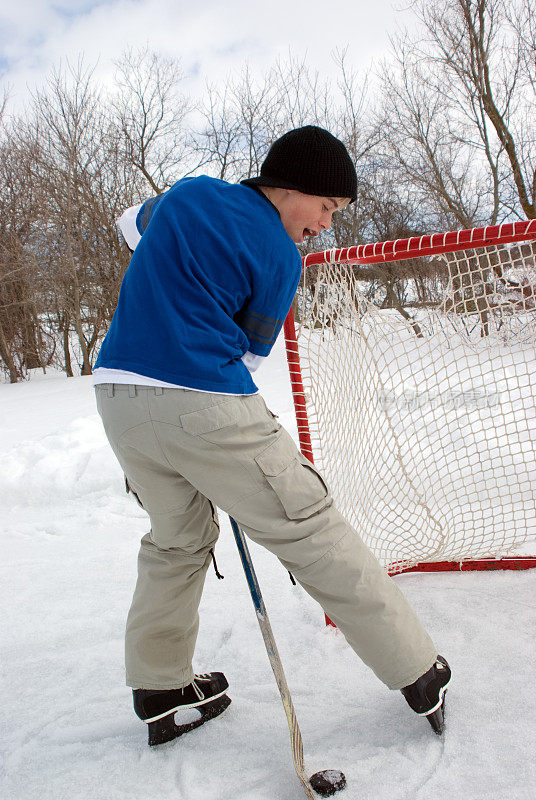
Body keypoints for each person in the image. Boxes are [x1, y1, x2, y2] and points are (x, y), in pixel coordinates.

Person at [93, 125, 451, 746]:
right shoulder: (282, 256)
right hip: (202, 399)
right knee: (308, 524)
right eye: (326, 207)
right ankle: (417, 669)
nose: (325, 225)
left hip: (119, 395)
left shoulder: (188, 194)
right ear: (293, 186)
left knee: (177, 539)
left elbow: (130, 225)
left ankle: (160, 686)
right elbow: (250, 359)